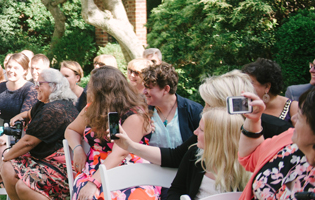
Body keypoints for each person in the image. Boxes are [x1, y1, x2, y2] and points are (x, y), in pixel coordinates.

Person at [65, 66, 156, 200]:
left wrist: (94, 183)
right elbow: (71, 129)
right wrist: (78, 148)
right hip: (95, 167)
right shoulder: (92, 109)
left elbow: (119, 153)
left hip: (130, 170)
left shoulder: (135, 114)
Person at [115, 70, 292, 169]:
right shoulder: (206, 132)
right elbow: (176, 156)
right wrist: (130, 146)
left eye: (208, 105)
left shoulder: (278, 132)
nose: (203, 111)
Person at [0, 68, 78, 200]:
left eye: (39, 84)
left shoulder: (56, 110)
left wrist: (6, 154)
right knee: (8, 168)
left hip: (61, 168)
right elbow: (31, 114)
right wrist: (21, 115)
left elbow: (28, 142)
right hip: (41, 160)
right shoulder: (45, 104)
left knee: (21, 184)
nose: (35, 88)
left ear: (53, 86)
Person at [141, 62, 203, 151]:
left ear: (166, 89)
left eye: (149, 88)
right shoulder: (142, 112)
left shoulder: (194, 111)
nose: (144, 92)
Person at [243, 58, 295, 123]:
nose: (244, 86)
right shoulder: (244, 106)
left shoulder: (294, 108)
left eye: (250, 82)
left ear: (267, 86)